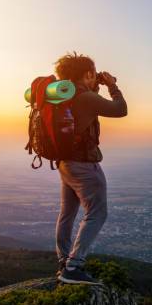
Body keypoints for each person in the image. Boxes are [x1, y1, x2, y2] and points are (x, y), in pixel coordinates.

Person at [52, 52, 127, 284]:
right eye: (92, 75)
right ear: (87, 74)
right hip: (84, 166)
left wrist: (95, 85)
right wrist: (113, 86)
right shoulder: (85, 98)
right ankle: (73, 267)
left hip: (65, 163)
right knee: (97, 213)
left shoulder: (66, 96)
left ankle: (64, 260)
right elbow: (120, 109)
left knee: (67, 214)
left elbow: (86, 110)